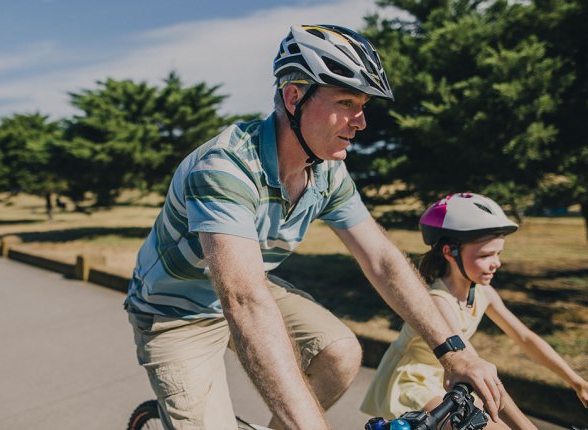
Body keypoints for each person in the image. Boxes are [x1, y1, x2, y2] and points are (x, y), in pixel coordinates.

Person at [124, 25, 507, 430]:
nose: (360, 122)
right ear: (294, 98)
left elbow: (381, 259)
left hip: (246, 285)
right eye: (346, 101)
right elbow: (244, 300)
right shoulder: (226, 167)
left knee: (339, 355)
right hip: (177, 312)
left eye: (364, 106)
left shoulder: (327, 171)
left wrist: (454, 350)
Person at [360, 193, 588, 428]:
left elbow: (525, 338)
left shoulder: (483, 292)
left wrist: (576, 382)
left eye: (498, 253)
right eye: (485, 255)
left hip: (450, 381)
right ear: (449, 253)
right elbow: (474, 366)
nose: (496, 263)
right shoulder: (439, 302)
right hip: (414, 382)